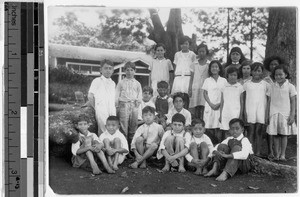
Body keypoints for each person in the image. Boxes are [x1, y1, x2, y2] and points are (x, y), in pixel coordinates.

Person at [266, 64, 297, 161]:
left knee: (284, 135)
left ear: (286, 75)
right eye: (276, 75)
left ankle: (283, 154)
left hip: (285, 114)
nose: (278, 77)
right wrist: (267, 114)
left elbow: (293, 101)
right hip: (274, 113)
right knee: (275, 135)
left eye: (281, 74)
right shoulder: (272, 86)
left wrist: (292, 115)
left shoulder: (290, 86)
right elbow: (269, 102)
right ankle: (276, 154)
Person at [243, 62, 269, 157]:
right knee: (250, 132)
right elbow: (243, 98)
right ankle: (250, 152)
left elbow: (269, 99)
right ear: (251, 72)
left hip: (261, 110)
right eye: (254, 70)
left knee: (259, 132)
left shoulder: (265, 84)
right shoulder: (247, 84)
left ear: (262, 72)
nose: (256, 73)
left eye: (259, 70)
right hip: (250, 110)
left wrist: (267, 113)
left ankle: (257, 152)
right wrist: (244, 112)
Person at [263, 56, 285, 161]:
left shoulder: (283, 79)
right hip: (269, 106)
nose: (273, 66)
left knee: (280, 130)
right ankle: (270, 151)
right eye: (271, 64)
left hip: (281, 108)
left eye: (275, 64)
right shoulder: (266, 80)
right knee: (270, 130)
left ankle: (280, 152)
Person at [115, 61, 142, 149]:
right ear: (124, 71)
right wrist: (117, 104)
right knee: (123, 128)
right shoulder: (121, 82)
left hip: (134, 105)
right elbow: (117, 94)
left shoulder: (137, 83)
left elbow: (139, 94)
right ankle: (124, 148)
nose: (129, 72)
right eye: (127, 70)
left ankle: (131, 148)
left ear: (135, 71)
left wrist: (138, 102)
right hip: (123, 105)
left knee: (133, 127)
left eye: (131, 70)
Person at [88, 60, 116, 135]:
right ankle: (103, 146)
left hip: (112, 109)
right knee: (103, 130)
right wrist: (96, 107)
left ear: (113, 70)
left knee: (113, 129)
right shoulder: (97, 81)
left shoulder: (113, 83)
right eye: (106, 68)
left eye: (110, 68)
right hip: (101, 109)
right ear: (101, 70)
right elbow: (90, 96)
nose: (108, 70)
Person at [202, 60, 227, 144]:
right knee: (209, 127)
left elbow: (226, 94)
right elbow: (205, 93)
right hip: (210, 106)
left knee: (219, 127)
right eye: (212, 67)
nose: (214, 68)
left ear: (219, 69)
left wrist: (219, 104)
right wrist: (211, 104)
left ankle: (219, 146)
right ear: (210, 69)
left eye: (216, 67)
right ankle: (211, 146)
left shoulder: (224, 80)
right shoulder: (207, 80)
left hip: (220, 106)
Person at [171, 36, 197, 109]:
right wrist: (174, 81)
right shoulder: (177, 54)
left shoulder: (192, 55)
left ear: (189, 45)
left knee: (186, 99)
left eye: (186, 43)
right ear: (180, 45)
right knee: (177, 98)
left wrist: (191, 85)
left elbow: (193, 70)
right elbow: (175, 68)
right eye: (182, 44)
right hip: (178, 79)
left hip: (187, 79)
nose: (184, 45)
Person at [219, 67, 244, 141]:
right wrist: (220, 115)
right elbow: (222, 102)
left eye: (235, 75)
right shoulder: (224, 86)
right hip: (226, 112)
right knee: (226, 130)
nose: (233, 77)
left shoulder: (240, 87)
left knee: (235, 130)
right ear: (227, 76)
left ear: (237, 76)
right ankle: (226, 145)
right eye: (231, 75)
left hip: (235, 112)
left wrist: (241, 114)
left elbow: (242, 102)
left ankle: (235, 145)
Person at [189, 43, 210, 120]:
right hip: (195, 87)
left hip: (205, 89)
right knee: (196, 106)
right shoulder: (194, 64)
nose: (201, 53)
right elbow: (191, 78)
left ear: (206, 52)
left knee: (204, 106)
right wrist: (190, 88)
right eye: (199, 51)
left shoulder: (209, 64)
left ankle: (203, 122)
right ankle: (196, 122)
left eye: (203, 51)